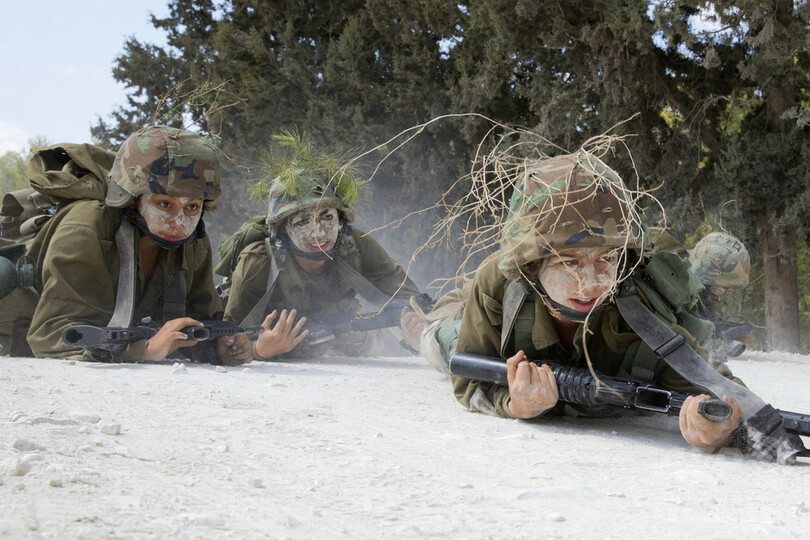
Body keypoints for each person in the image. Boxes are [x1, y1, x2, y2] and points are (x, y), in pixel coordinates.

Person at [433, 149, 747, 452]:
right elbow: (468, 382)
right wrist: (515, 404)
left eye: (606, 259)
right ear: (530, 266)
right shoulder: (500, 285)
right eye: (567, 263)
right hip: (466, 325)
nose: (591, 282)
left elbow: (728, 394)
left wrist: (723, 430)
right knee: (441, 337)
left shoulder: (641, 311)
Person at [26, 125, 251, 365]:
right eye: (165, 204)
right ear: (133, 199)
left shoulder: (193, 242)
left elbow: (197, 322)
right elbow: (54, 334)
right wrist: (142, 350)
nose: (179, 222)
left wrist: (219, 347)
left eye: (192, 207)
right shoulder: (86, 229)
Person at [221, 134, 425, 360]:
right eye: (302, 222)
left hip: (347, 342)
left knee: (371, 342)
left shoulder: (356, 246)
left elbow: (411, 302)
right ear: (281, 229)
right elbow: (227, 340)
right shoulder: (259, 260)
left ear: (340, 219)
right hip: (277, 351)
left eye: (326, 217)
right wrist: (259, 349)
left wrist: (416, 335)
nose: (318, 233)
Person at [688, 231, 754, 345]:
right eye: (724, 287)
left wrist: (728, 334)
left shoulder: (704, 292)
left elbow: (711, 319)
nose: (728, 291)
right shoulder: (678, 289)